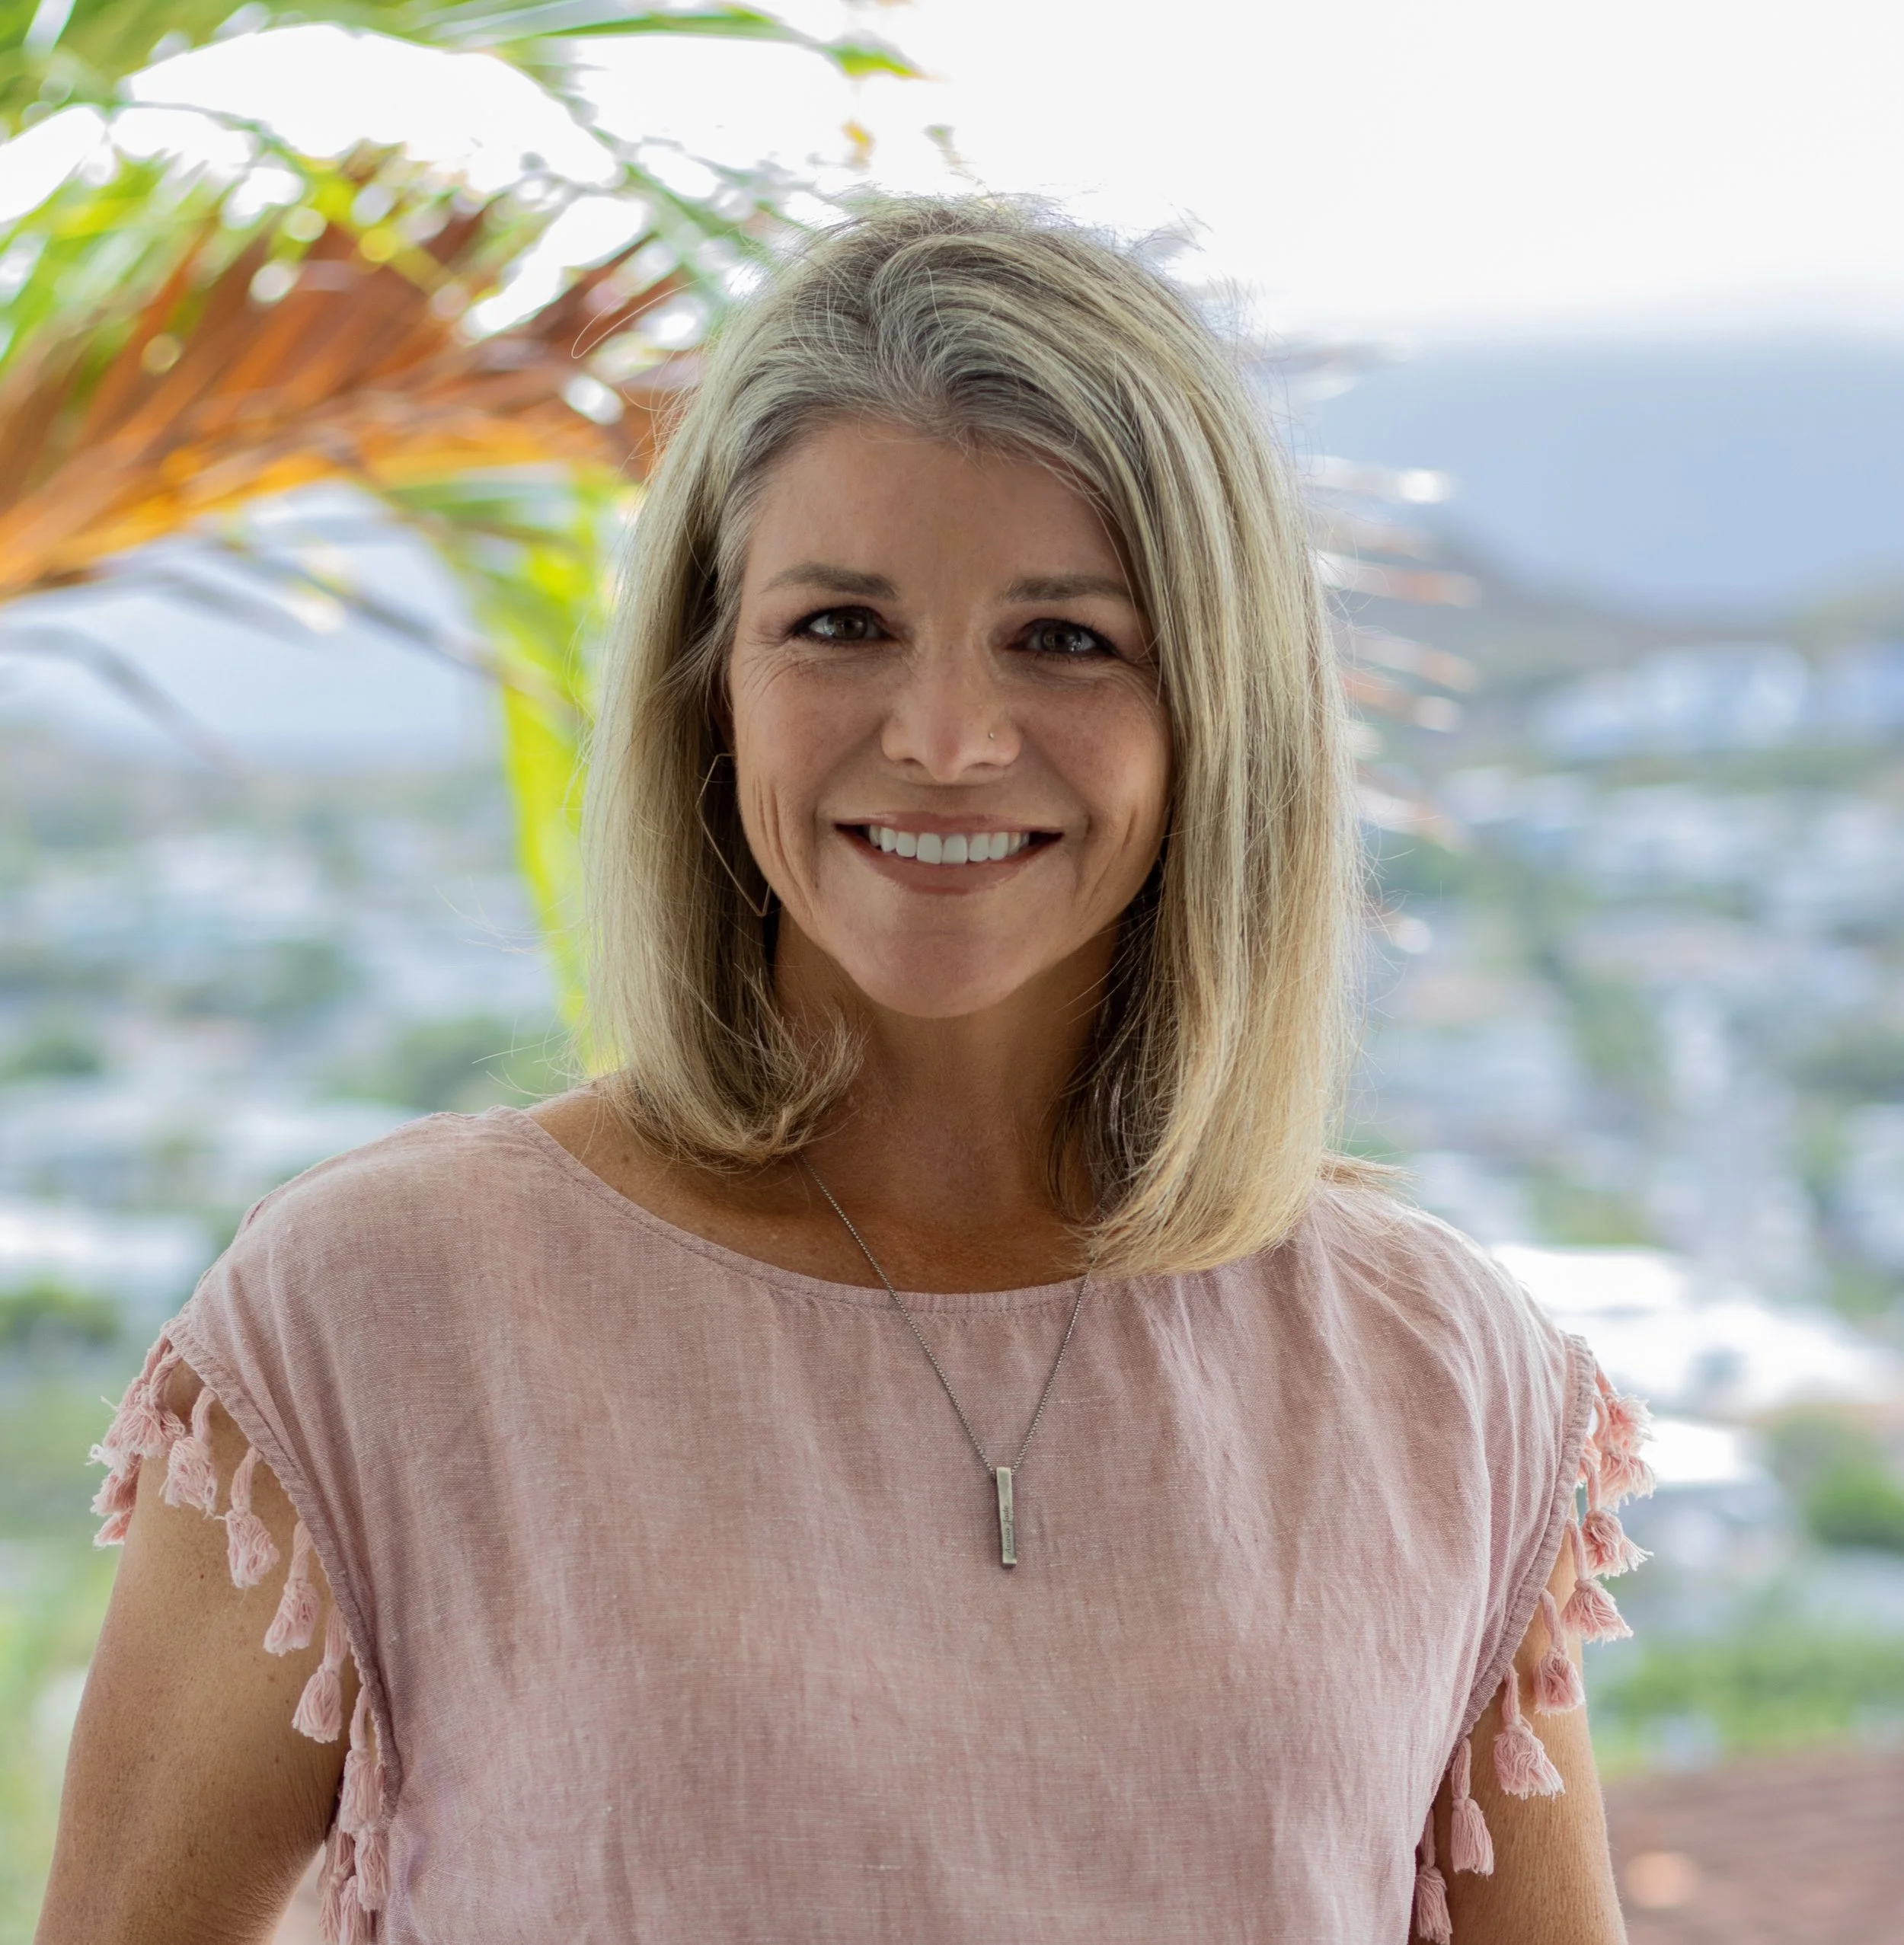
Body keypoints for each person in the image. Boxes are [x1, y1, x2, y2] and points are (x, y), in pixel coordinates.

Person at [37, 197, 1647, 1945]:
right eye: (836, 626)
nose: (946, 737)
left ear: (1219, 713)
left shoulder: (1435, 1376)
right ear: (704, 684)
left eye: (1064, 638)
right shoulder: (376, 1320)